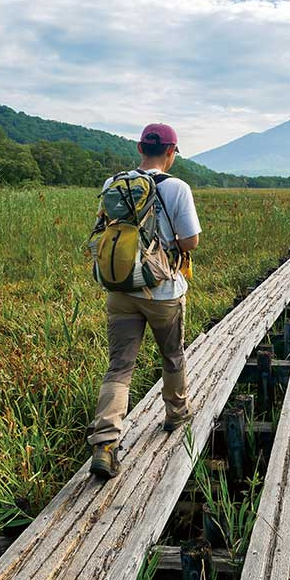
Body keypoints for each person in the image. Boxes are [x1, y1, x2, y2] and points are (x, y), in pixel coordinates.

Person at [88, 123, 201, 479]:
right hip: (162, 290)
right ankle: (176, 413)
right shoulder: (177, 187)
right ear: (171, 152)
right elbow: (190, 242)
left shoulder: (113, 184)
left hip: (121, 289)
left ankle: (105, 442)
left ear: (140, 148)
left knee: (119, 367)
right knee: (172, 353)